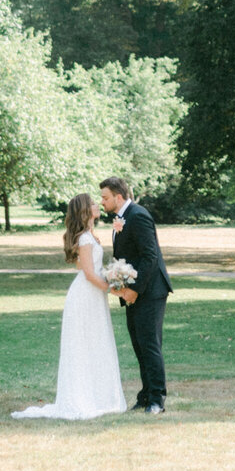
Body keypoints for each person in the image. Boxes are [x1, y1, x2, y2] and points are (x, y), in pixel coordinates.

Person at [11, 193, 126, 420]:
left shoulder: (89, 236)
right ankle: (82, 398)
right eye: (93, 203)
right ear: (85, 210)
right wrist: (113, 289)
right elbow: (89, 274)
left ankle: (98, 396)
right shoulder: (84, 239)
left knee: (96, 342)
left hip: (93, 295)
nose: (97, 205)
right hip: (85, 295)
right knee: (84, 344)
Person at [100, 176, 173, 414]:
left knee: (150, 344)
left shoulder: (138, 215)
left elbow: (150, 257)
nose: (102, 202)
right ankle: (145, 395)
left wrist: (134, 290)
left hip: (150, 291)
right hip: (134, 292)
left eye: (105, 197)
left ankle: (157, 399)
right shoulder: (122, 217)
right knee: (139, 344)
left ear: (118, 197)